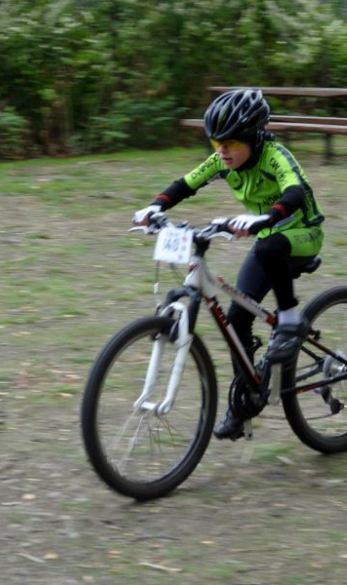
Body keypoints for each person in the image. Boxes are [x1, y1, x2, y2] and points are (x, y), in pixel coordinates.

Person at [132, 88, 325, 441]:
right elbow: (186, 184)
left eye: (231, 142)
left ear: (253, 138)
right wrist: (156, 207)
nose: (221, 150)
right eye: (216, 142)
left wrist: (264, 218)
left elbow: (295, 194)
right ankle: (246, 398)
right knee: (237, 317)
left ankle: (290, 319)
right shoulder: (222, 159)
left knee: (270, 247)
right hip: (267, 236)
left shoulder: (275, 156)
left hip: (301, 232)